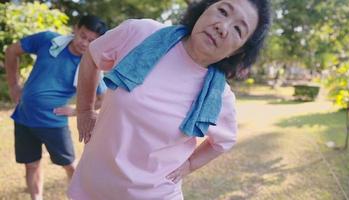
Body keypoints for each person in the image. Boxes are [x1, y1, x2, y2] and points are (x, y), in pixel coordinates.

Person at [69, 0, 271, 199]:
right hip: (92, 185)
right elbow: (93, 55)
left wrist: (190, 165)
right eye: (223, 11)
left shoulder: (220, 97)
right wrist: (85, 110)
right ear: (204, 9)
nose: (222, 27)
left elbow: (223, 142)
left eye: (238, 29)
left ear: (238, 50)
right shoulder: (142, 34)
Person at [4, 15, 108, 200]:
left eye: (92, 41)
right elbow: (12, 51)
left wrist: (76, 111)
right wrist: (13, 85)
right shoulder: (48, 40)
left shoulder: (91, 65)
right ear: (76, 28)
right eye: (83, 36)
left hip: (53, 123)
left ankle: (81, 197)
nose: (85, 43)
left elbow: (104, 99)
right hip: (24, 117)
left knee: (69, 165)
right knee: (31, 164)